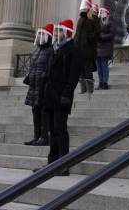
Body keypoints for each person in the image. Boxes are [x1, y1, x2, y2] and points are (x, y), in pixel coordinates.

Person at [43, 19, 82, 174]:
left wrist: (67, 94)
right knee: (52, 129)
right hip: (51, 95)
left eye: (59, 31)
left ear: (66, 32)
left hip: (62, 96)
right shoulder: (56, 48)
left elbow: (73, 76)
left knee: (60, 129)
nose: (56, 34)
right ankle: (52, 161)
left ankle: (63, 164)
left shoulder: (73, 49)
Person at [23, 24, 54, 146]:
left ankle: (44, 136)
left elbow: (50, 68)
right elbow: (32, 67)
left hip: (44, 87)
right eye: (39, 34)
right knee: (35, 111)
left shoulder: (50, 50)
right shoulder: (36, 51)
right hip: (34, 87)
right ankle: (36, 136)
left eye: (42, 34)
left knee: (44, 113)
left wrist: (44, 77)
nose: (40, 36)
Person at [74, 0, 100, 94]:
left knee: (87, 69)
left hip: (88, 49)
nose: (83, 10)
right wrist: (74, 41)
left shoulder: (93, 18)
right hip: (79, 48)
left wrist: (89, 37)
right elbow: (77, 33)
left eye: (85, 8)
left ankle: (90, 90)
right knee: (81, 70)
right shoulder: (81, 19)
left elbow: (97, 32)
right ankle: (83, 89)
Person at [96, 6, 115, 90]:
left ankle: (105, 83)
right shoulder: (98, 21)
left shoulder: (110, 21)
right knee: (99, 66)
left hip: (106, 47)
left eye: (103, 11)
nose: (101, 13)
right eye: (100, 11)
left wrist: (102, 36)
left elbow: (112, 33)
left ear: (107, 12)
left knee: (104, 65)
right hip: (97, 47)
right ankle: (100, 82)